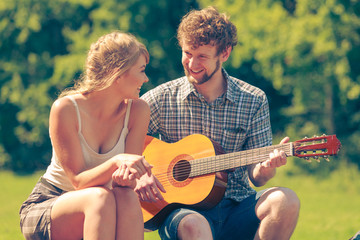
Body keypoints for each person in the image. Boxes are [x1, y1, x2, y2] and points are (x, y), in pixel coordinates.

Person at [138, 6, 300, 240]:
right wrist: (141, 172)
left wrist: (265, 168)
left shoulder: (253, 99)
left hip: (238, 205)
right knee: (194, 224)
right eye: (187, 53)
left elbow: (257, 177)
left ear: (224, 53)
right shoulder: (161, 98)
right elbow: (123, 143)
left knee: (286, 200)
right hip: (183, 212)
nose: (192, 64)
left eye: (202, 56)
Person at [19, 31, 153, 240]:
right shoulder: (65, 109)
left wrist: (126, 178)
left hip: (106, 203)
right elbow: (78, 182)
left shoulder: (138, 111)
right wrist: (116, 162)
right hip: (51, 202)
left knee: (126, 197)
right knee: (99, 198)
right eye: (142, 70)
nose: (145, 78)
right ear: (118, 73)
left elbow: (125, 183)